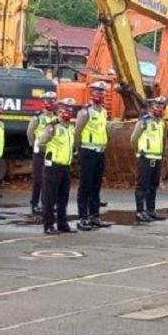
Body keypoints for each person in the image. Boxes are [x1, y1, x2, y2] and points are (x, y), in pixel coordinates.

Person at [75, 81, 113, 231]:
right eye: (97, 93)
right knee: (85, 185)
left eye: (102, 93)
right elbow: (77, 132)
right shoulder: (86, 111)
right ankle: (83, 217)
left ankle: (94, 216)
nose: (100, 95)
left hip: (100, 151)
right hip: (88, 151)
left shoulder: (103, 111)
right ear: (92, 94)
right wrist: (79, 149)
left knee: (96, 186)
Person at [39, 98, 78, 235]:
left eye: (70, 110)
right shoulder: (53, 126)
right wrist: (50, 156)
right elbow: (41, 143)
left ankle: (62, 223)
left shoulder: (70, 127)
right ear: (59, 111)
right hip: (53, 166)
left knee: (63, 197)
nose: (68, 112)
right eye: (65, 110)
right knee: (50, 197)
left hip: (65, 165)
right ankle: (48, 225)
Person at [132, 97, 168, 223]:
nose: (159, 109)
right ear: (152, 107)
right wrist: (138, 152)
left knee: (153, 185)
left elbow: (163, 139)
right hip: (146, 156)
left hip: (157, 156)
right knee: (143, 185)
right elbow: (134, 139)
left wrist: (163, 153)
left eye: (161, 107)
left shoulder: (162, 122)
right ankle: (140, 211)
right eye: (157, 106)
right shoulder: (144, 121)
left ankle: (150, 210)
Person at [27, 91, 57, 216]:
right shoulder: (38, 117)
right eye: (47, 101)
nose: (50, 103)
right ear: (43, 103)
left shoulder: (55, 118)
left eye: (52, 101)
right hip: (39, 151)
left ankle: (46, 203)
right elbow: (30, 132)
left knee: (49, 180)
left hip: (50, 152)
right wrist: (34, 144)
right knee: (38, 179)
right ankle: (34, 204)